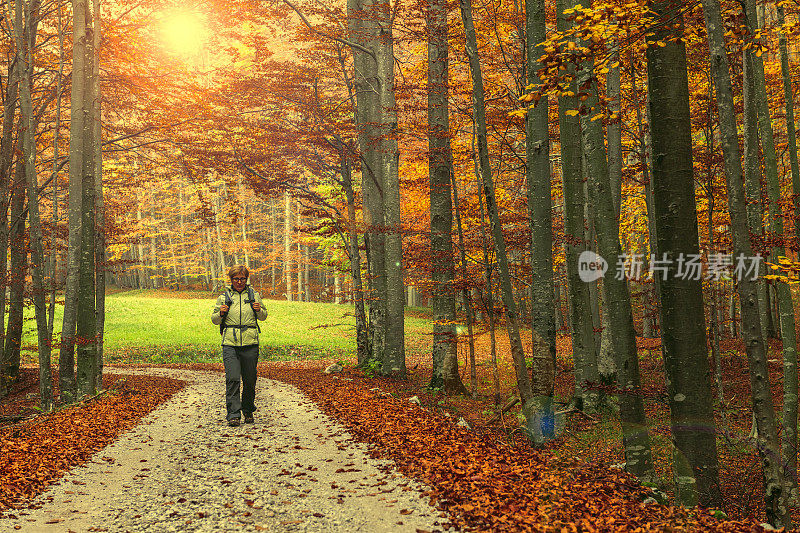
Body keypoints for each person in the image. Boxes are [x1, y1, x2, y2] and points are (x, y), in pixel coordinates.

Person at [211, 265, 268, 427]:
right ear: (231, 280)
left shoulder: (254, 295)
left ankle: (248, 409)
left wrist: (258, 310)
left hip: (250, 343)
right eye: (236, 279)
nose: (240, 282)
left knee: (250, 380)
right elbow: (214, 320)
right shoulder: (224, 297)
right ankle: (233, 414)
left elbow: (263, 316)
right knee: (233, 378)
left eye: (243, 278)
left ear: (246, 279)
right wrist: (221, 313)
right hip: (230, 344)